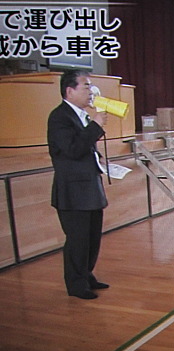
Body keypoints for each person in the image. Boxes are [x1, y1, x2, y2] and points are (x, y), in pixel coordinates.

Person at [47, 70, 109, 300]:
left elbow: (84, 149)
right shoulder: (59, 117)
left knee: (92, 237)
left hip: (90, 188)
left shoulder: (81, 115)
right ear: (69, 90)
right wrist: (96, 126)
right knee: (78, 239)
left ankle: (86, 275)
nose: (90, 91)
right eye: (86, 86)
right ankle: (76, 285)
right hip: (73, 192)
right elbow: (72, 150)